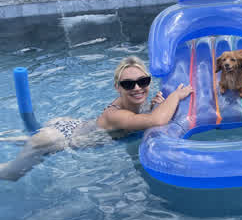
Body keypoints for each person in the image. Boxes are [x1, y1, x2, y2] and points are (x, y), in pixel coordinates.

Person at [0, 56, 192, 181]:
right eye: (128, 84)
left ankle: (15, 138)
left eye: (143, 81)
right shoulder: (116, 115)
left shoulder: (135, 102)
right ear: (117, 87)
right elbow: (156, 121)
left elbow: (144, 118)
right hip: (58, 138)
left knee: (28, 141)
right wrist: (176, 96)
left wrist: (153, 107)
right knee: (11, 174)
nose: (137, 88)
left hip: (72, 126)